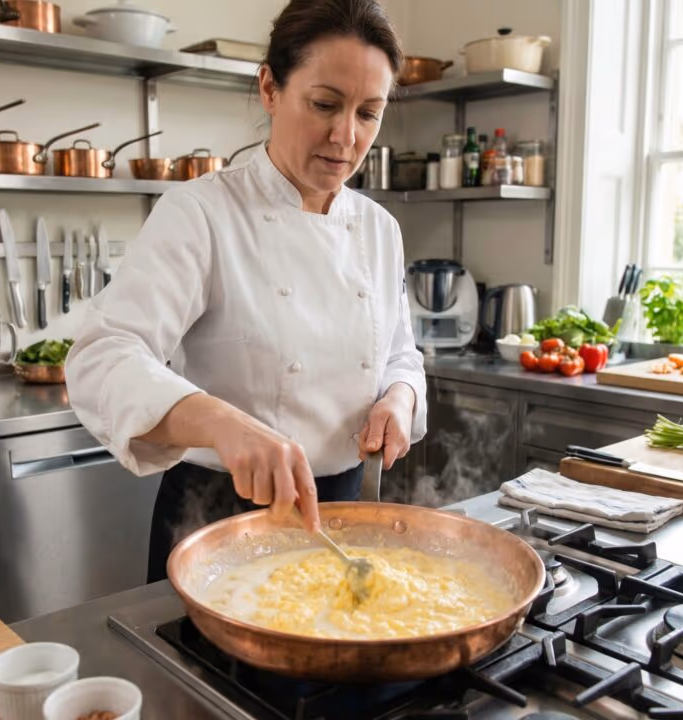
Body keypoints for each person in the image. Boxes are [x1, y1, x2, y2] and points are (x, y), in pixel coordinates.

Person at [66, 0, 426, 584]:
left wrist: (400, 399)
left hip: (343, 507)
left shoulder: (380, 229)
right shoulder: (201, 213)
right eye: (325, 104)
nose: (345, 136)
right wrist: (221, 424)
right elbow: (101, 357)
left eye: (369, 113)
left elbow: (399, 354)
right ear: (270, 89)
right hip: (215, 518)